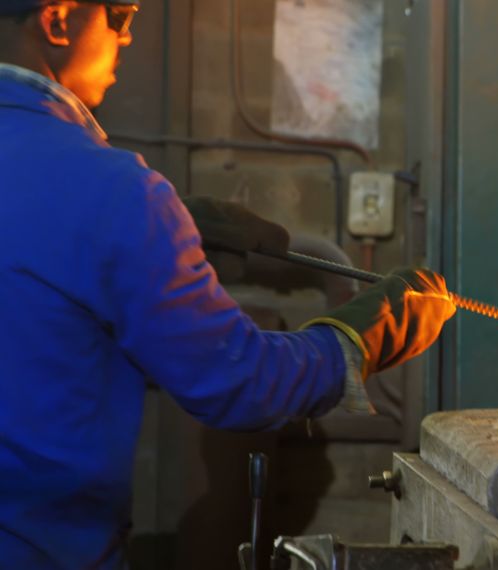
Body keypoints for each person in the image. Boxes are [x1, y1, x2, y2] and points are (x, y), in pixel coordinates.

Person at [0, 1, 457, 567]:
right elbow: (238, 382)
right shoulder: (111, 191)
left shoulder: (101, 196)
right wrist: (356, 339)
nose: (128, 38)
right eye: (120, 15)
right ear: (58, 20)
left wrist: (170, 228)